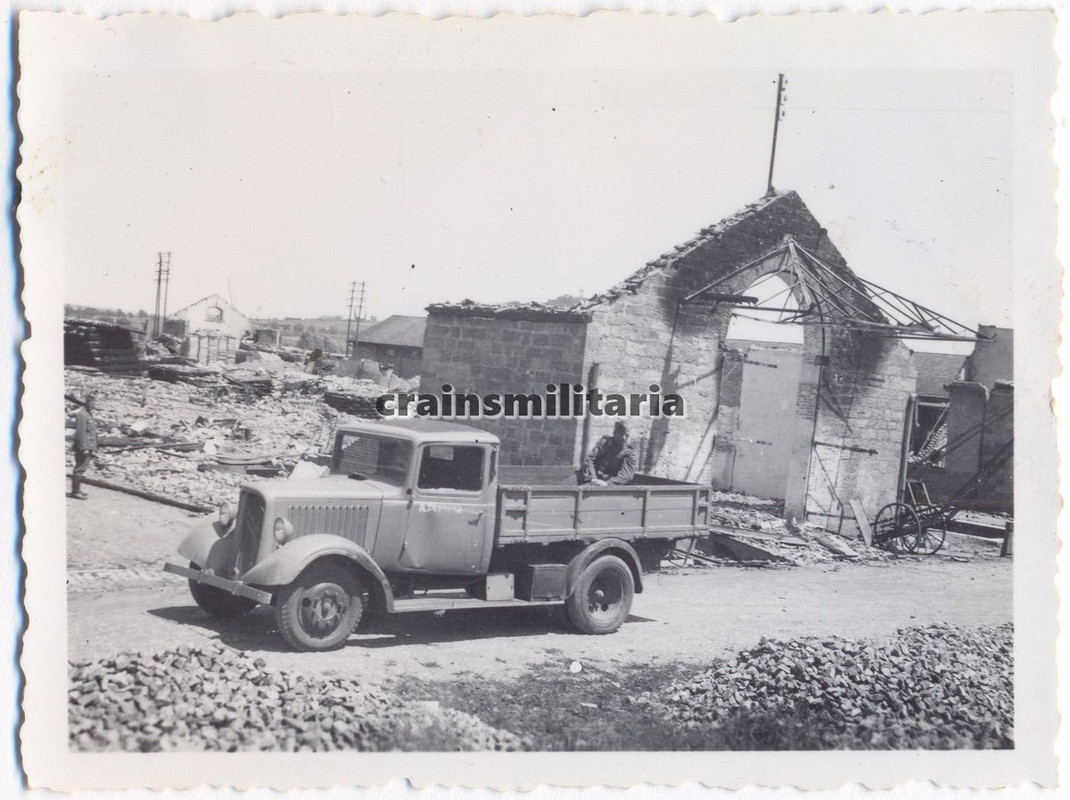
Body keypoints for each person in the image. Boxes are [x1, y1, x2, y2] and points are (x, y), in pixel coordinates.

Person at [580, 420, 637, 486]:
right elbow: (590, 459)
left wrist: (607, 483)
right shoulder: (604, 442)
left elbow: (626, 475)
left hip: (611, 484)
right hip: (594, 478)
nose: (625, 438)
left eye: (627, 435)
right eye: (621, 434)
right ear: (614, 433)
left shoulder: (630, 453)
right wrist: (593, 479)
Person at [70, 394, 99, 499]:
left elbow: (91, 432)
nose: (94, 405)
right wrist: (84, 448)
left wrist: (94, 448)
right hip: (84, 447)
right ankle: (75, 492)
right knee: (79, 468)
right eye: (92, 403)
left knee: (82, 468)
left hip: (89, 446)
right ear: (87, 403)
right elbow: (81, 432)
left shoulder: (87, 414)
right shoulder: (82, 414)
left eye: (95, 403)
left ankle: (77, 490)